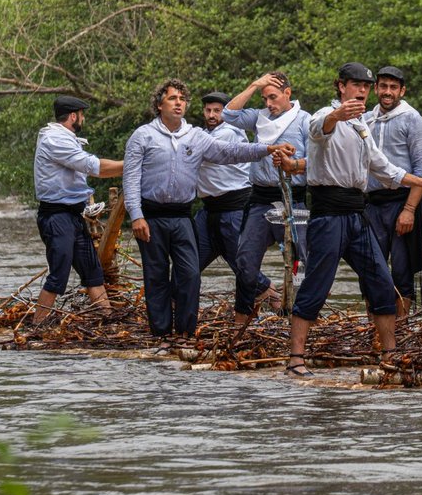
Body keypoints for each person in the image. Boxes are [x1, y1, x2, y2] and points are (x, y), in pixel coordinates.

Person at [279, 62, 422, 377]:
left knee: (380, 280)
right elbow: (319, 128)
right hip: (328, 215)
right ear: (341, 86)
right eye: (355, 85)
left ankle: (390, 355)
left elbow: (384, 168)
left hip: (356, 214)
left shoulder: (362, 126)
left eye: (365, 87)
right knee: (317, 284)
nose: (362, 91)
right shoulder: (324, 115)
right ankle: (295, 358)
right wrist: (338, 114)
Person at [124, 80, 294, 345]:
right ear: (159, 105)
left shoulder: (195, 136)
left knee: (190, 274)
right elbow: (131, 177)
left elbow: (229, 153)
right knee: (156, 274)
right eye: (172, 98)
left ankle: (185, 333)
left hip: (183, 215)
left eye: (182, 98)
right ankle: (160, 333)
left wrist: (267, 149)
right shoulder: (143, 136)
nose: (179, 102)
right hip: (152, 214)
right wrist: (136, 215)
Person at [222, 71, 311, 325]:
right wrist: (254, 85)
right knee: (244, 260)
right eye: (265, 98)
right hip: (261, 198)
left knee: (299, 263)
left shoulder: (305, 121)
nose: (269, 104)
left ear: (288, 93)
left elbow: (316, 162)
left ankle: (298, 316)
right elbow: (228, 114)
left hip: (293, 200)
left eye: (273, 97)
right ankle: (244, 317)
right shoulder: (259, 118)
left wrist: (293, 164)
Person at [32, 95, 124, 322]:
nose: (83, 119)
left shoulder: (66, 138)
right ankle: (36, 326)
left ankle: (109, 322)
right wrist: (132, 165)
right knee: (59, 275)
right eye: (82, 114)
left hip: (72, 215)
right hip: (56, 216)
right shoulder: (55, 139)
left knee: (93, 272)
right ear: (74, 116)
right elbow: (95, 168)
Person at [362, 65, 422, 319]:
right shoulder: (366, 119)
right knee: (370, 268)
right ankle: (375, 330)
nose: (387, 92)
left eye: (393, 87)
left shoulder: (414, 120)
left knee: (402, 271)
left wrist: (410, 210)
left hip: (403, 202)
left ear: (402, 91)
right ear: (376, 89)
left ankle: (400, 330)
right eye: (383, 86)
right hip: (372, 203)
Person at [195, 91, 252, 282]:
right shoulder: (204, 133)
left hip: (233, 209)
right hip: (209, 210)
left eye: (217, 111)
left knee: (243, 267)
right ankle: (174, 304)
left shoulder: (230, 132)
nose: (211, 115)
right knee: (189, 262)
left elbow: (206, 151)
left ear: (226, 113)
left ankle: (277, 303)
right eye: (208, 110)